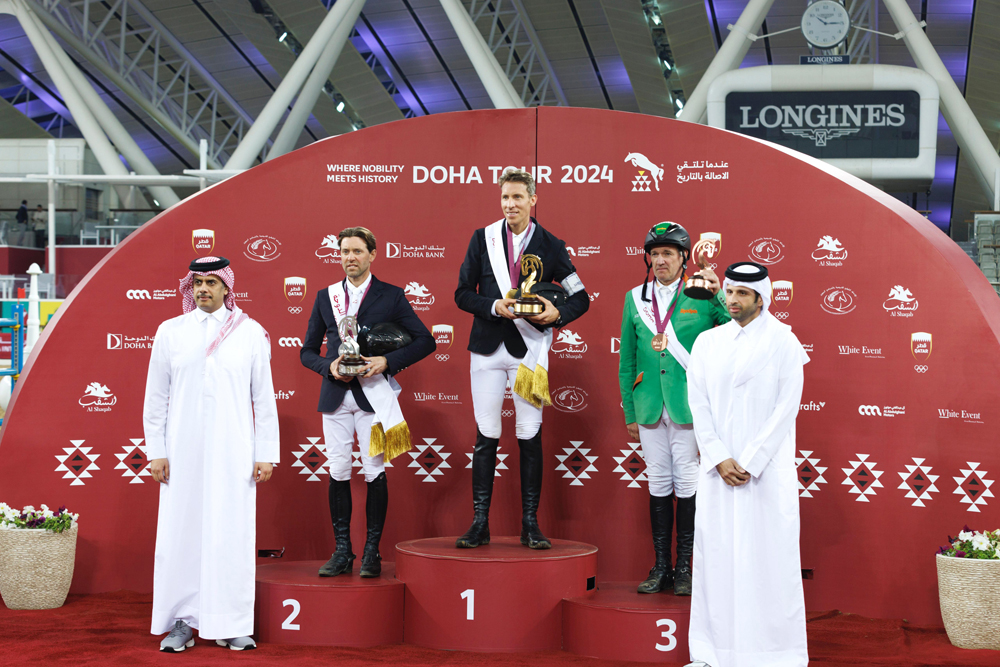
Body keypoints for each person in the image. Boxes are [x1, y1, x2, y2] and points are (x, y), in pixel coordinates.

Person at [144, 256, 279, 652]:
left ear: (226, 288)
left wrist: (265, 453)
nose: (203, 289)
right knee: (180, 535)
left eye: (211, 282)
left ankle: (229, 623)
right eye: (197, 282)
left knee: (230, 536)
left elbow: (263, 398)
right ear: (190, 288)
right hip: (181, 454)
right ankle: (182, 622)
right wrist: (157, 451)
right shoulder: (170, 331)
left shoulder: (250, 332)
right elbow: (156, 398)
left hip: (234, 453)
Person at [454, 168, 590, 550]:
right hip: (486, 349)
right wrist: (495, 305)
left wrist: (557, 315)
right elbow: (462, 294)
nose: (510, 204)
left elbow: (581, 297)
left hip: (530, 351)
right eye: (504, 198)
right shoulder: (483, 239)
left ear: (533, 199)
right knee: (486, 433)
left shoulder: (551, 244)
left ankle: (530, 524)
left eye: (517, 197)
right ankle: (480, 523)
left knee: (529, 433)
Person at [684, 262, 810, 667]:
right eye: (730, 292)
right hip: (719, 472)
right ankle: (710, 654)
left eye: (742, 294)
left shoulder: (785, 343)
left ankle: (775, 656)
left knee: (769, 561)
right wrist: (719, 456)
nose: (732, 300)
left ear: (762, 297)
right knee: (716, 559)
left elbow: (785, 410)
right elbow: (698, 404)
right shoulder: (707, 342)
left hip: (765, 473)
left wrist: (751, 462)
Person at [301, 226, 434, 578]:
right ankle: (343, 551)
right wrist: (328, 366)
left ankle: (372, 552)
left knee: (375, 470)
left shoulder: (391, 296)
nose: (350, 258)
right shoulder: (324, 296)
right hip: (335, 397)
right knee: (339, 470)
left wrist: (387, 362)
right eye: (344, 251)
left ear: (372, 254)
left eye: (357, 251)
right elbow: (306, 351)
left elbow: (426, 341)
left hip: (373, 397)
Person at [618, 222, 728, 596]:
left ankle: (685, 567)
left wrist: (718, 294)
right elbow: (627, 361)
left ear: (684, 258)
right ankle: (661, 565)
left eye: (668, 253)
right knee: (659, 481)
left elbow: (734, 331)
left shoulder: (701, 293)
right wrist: (630, 413)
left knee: (687, 481)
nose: (660, 259)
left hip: (688, 405)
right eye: (655, 253)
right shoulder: (635, 297)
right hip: (648, 406)